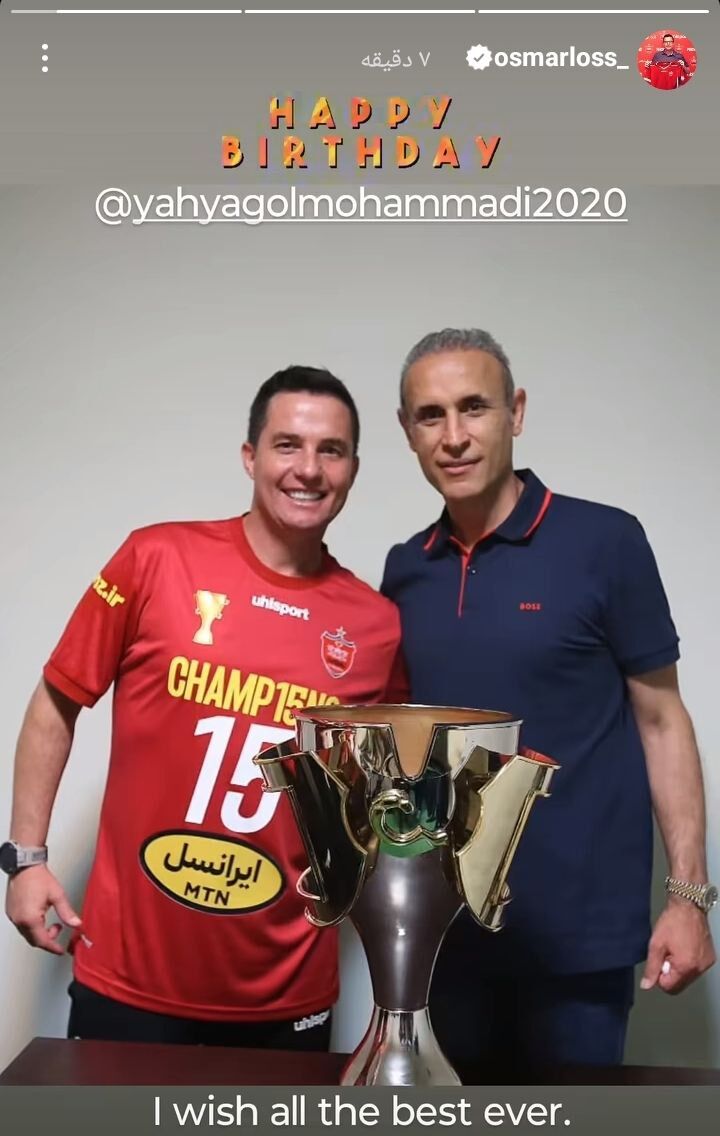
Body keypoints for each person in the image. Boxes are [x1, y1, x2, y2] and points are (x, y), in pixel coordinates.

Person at [3, 365, 407, 1050]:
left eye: (331, 450)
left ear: (353, 470)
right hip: (129, 977)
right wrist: (26, 858)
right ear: (250, 456)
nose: (308, 469)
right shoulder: (156, 558)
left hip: (288, 990)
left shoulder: (376, 626)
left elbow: (378, 791)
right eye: (287, 445)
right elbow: (56, 700)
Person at [381, 328, 715, 1072]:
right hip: (446, 939)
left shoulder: (605, 542)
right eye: (431, 415)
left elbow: (663, 721)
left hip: (578, 946)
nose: (455, 436)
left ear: (517, 412)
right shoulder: (406, 569)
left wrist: (689, 897)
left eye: (475, 407)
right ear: (407, 432)